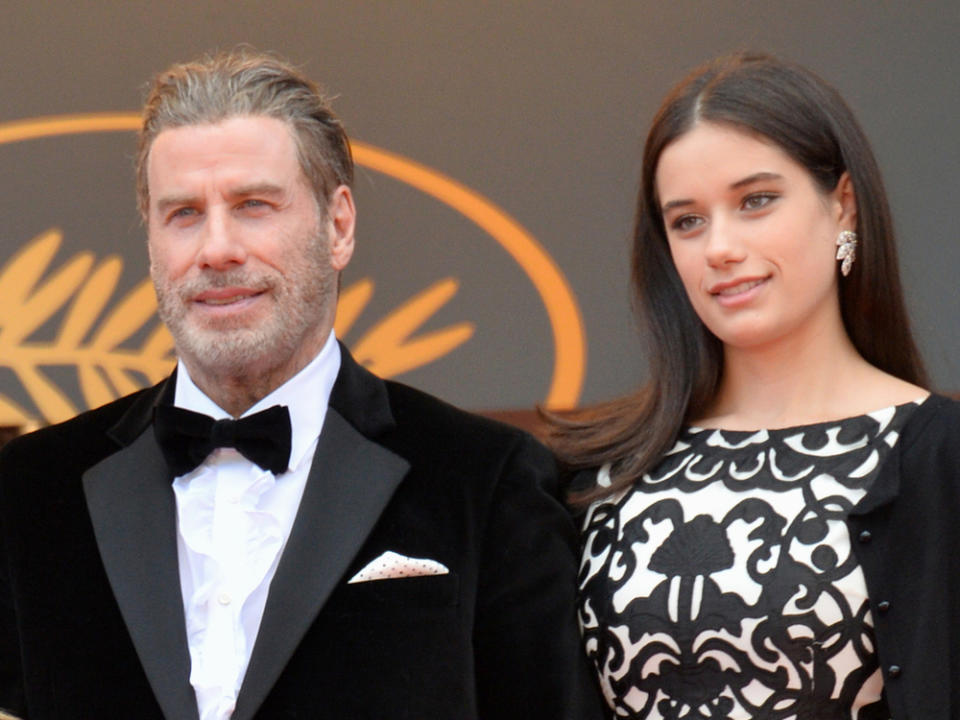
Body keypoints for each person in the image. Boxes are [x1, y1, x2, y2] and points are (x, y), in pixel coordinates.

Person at [0, 49, 603, 720]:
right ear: (151, 243)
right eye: (183, 214)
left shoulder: (482, 479)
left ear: (337, 225)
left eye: (254, 206)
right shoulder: (31, 490)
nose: (217, 248)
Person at [550, 52, 960, 719]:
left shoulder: (938, 459)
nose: (719, 247)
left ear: (843, 206)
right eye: (687, 220)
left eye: (756, 201)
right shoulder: (600, 473)